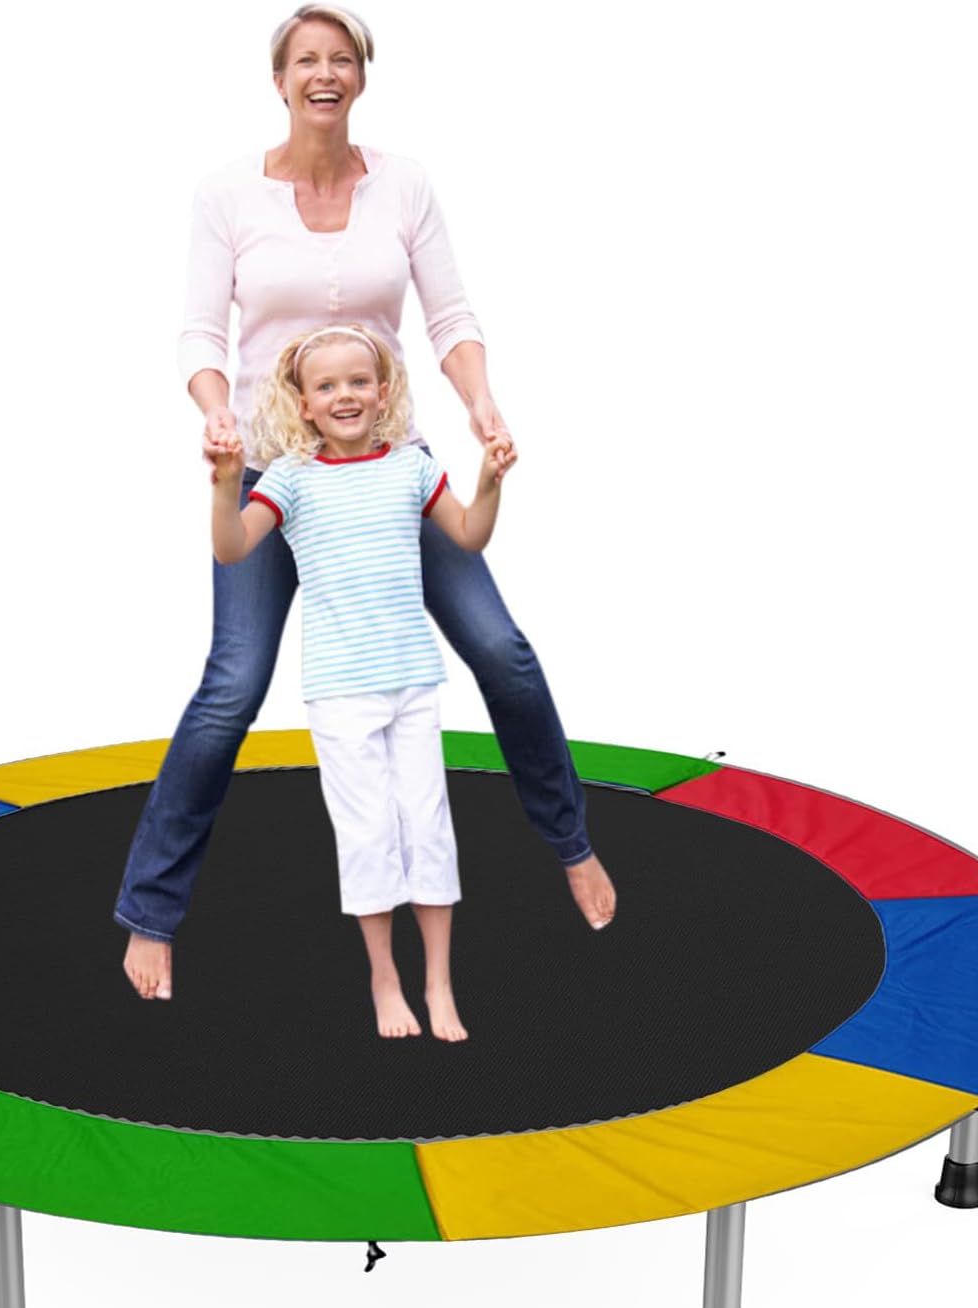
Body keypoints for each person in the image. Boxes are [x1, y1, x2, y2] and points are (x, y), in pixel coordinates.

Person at [118, 4, 615, 1002]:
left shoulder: (405, 183)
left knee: (502, 648)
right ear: (279, 79)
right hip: (275, 467)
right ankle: (151, 914)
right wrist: (216, 415)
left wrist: (480, 405)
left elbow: (451, 314)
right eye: (306, 59)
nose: (324, 74)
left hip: (391, 470)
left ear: (361, 75)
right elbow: (200, 334)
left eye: (341, 58)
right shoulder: (226, 195)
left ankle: (571, 844)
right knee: (233, 684)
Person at [210, 322, 514, 1040]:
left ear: (383, 392)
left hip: (413, 679)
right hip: (342, 691)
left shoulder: (411, 469)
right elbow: (232, 550)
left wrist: (488, 482)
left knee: (428, 830)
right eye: (326, 386)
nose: (344, 395)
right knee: (368, 835)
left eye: (358, 381)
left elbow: (469, 534)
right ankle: (385, 978)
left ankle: (439, 983)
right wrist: (225, 484)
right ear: (304, 404)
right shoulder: (290, 479)